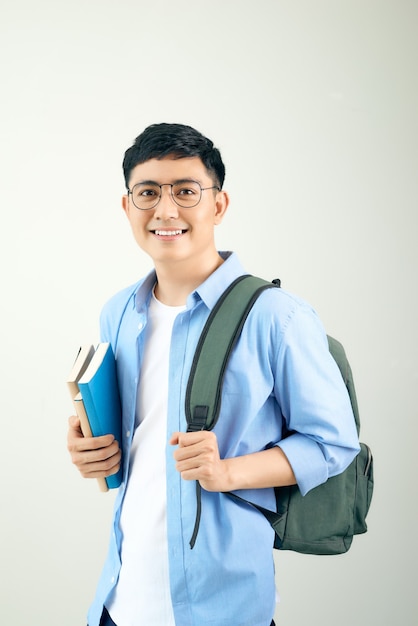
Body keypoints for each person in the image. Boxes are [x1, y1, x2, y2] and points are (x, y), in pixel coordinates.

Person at [67, 122, 360, 626]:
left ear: (218, 205)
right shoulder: (118, 312)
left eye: (186, 191)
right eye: (148, 193)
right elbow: (134, 439)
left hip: (223, 607)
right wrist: (89, 447)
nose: (166, 210)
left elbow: (333, 443)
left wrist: (228, 471)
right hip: (119, 599)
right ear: (127, 206)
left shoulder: (277, 316)